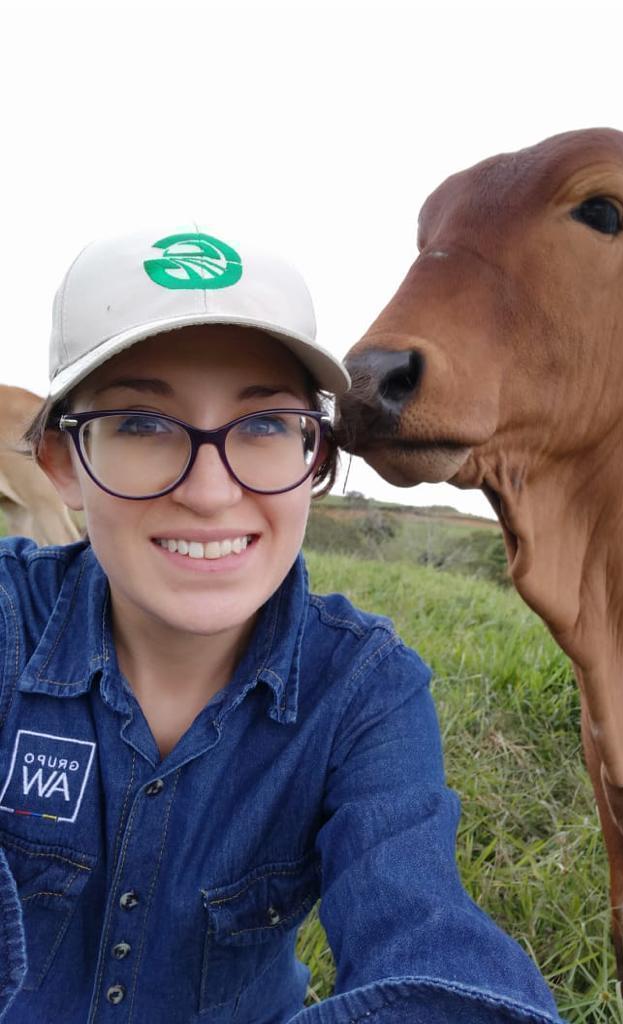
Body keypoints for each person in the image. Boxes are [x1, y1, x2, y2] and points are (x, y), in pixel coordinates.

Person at [0, 227, 563, 1023]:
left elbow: (426, 930)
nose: (208, 492)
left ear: (316, 459)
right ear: (65, 464)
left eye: (264, 425)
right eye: (143, 424)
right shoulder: (10, 620)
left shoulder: (365, 692)